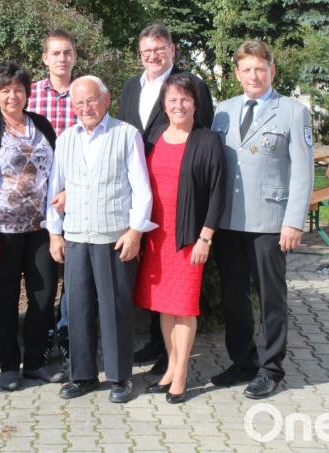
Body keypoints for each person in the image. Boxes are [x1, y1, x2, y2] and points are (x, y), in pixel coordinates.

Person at [210, 39, 314, 399]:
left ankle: (271, 369)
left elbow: (303, 172)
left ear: (272, 71)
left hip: (271, 223)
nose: (253, 75)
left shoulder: (292, 111)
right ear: (237, 74)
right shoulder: (222, 110)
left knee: (270, 298)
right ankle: (243, 361)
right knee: (234, 298)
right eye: (246, 69)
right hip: (229, 221)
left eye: (260, 68)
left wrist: (294, 221)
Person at [47, 76, 156, 403]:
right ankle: (81, 375)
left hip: (114, 237)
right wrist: (54, 232)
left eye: (91, 100)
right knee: (77, 307)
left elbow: (142, 189)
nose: (85, 108)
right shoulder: (65, 138)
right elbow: (55, 188)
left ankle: (120, 377)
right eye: (78, 103)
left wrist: (136, 230)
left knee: (114, 308)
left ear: (105, 100)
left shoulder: (126, 135)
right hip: (77, 235)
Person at [117, 23, 215, 375]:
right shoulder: (131, 87)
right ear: (139, 55)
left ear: (172, 50)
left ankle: (171, 358)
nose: (153, 56)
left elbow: (202, 143)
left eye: (159, 49)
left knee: (178, 283)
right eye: (146, 51)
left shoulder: (191, 86)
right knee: (154, 276)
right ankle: (158, 345)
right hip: (144, 191)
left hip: (181, 197)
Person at [0, 61, 65, 391]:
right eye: (6, 90)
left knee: (43, 294)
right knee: (4, 299)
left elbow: (57, 169)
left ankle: (35, 362)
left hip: (41, 229)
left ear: (27, 93)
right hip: (3, 232)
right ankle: (9, 365)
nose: (13, 95)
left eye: (18, 89)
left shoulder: (41, 124)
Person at [133, 73, 226, 404]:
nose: (178, 105)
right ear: (164, 105)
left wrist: (206, 237)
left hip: (188, 237)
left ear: (195, 104)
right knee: (164, 307)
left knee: (184, 306)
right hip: (157, 237)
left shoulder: (206, 139)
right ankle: (170, 367)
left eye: (185, 99)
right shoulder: (155, 136)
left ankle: (182, 373)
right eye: (172, 100)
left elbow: (218, 192)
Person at [27, 29, 79, 363]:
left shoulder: (86, 93)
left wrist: (71, 191)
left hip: (78, 199)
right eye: (55, 53)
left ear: (75, 57)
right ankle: (44, 334)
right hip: (37, 203)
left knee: (75, 275)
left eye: (67, 52)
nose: (62, 58)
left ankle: (69, 331)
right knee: (43, 274)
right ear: (45, 58)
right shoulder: (29, 95)